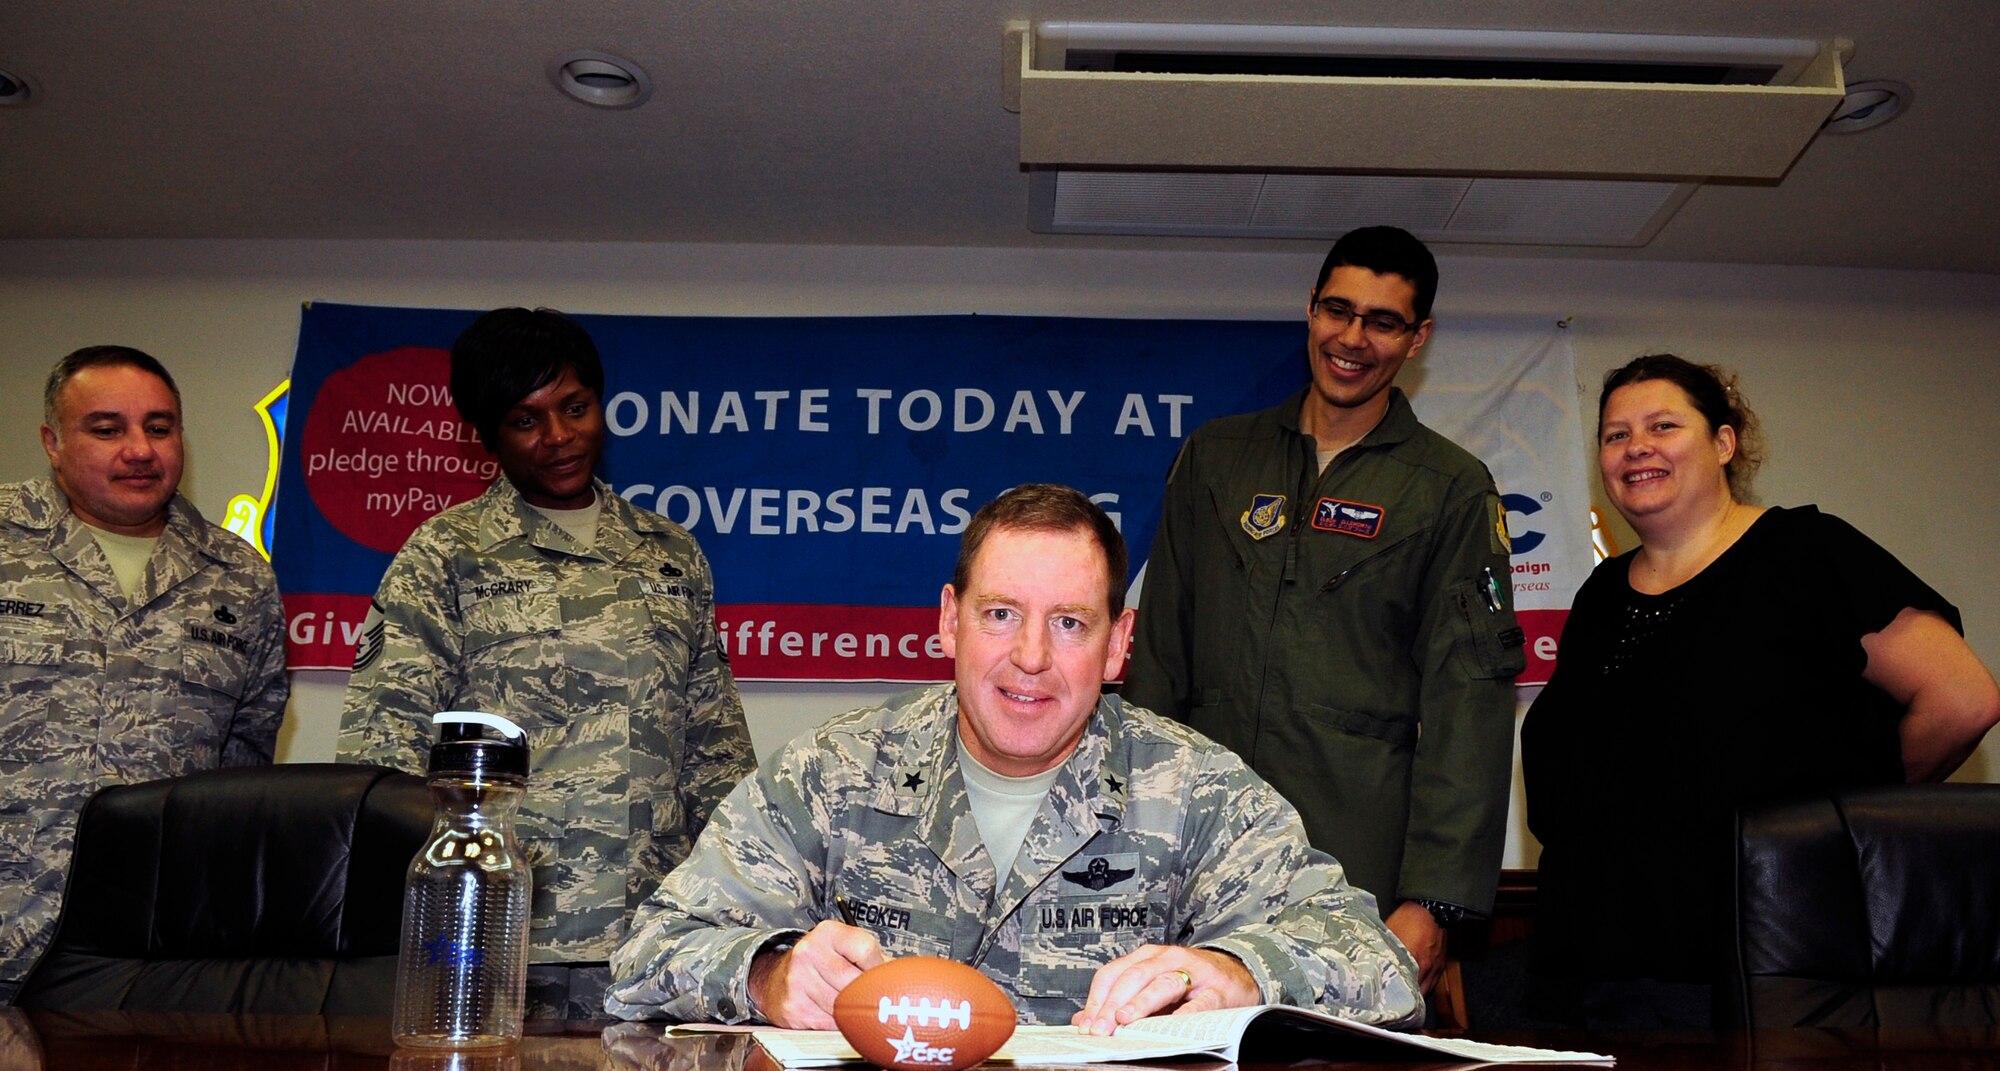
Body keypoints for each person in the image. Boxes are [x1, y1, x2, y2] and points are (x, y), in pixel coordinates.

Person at [606, 484, 1420, 1032]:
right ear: (948, 622)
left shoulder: (1195, 790)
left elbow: (1379, 966)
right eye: (1000, 614)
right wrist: (767, 975)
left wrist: (1241, 974)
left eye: (1070, 623)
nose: (1030, 656)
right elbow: (646, 957)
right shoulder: (830, 774)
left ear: (1117, 646)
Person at [1520, 354, 2000, 1027]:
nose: (1637, 449)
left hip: (1755, 972)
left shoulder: (1807, 553)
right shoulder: (1601, 596)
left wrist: (1840, 827)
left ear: (1723, 442)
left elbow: (1964, 700)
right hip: (1593, 973)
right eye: (1615, 435)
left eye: (1662, 426)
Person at [1124, 226, 1524, 995]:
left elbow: (1468, 703)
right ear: (1309, 309)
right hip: (1196, 858)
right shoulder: (1217, 457)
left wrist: (1435, 903)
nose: (1352, 338)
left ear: (1418, 338)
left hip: (1356, 870)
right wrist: (1135, 851)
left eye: (1383, 321)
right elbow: (1159, 664)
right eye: (1337, 310)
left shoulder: (1449, 488)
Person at [338, 307, 754, 1019]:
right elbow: (384, 748)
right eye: (527, 420)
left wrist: (741, 907)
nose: (560, 437)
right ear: (488, 436)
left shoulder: (670, 553)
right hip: (501, 939)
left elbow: (713, 749)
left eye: (576, 407)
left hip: (655, 941)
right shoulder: (447, 555)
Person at [0, 346, 289, 1002]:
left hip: (154, 955)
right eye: (107, 429)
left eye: (158, 428)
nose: (139, 449)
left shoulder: (238, 576)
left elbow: (242, 775)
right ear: (52, 441)